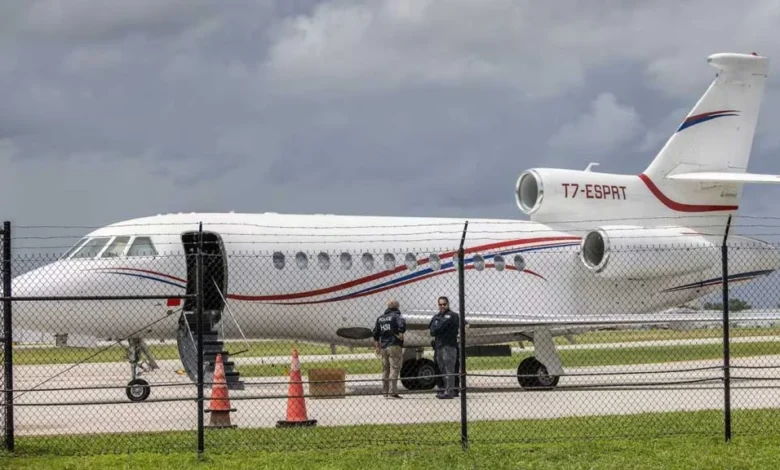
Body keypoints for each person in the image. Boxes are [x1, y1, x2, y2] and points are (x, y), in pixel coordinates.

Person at [372, 299, 406, 398]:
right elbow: (402, 325)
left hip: (384, 346)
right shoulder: (397, 316)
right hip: (394, 344)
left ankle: (385, 392)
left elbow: (375, 333)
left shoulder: (381, 318)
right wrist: (400, 333)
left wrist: (377, 346)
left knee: (385, 369)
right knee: (394, 368)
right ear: (396, 306)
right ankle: (393, 392)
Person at [429, 296, 460, 399]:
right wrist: (438, 326)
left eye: (444, 304)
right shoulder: (437, 316)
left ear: (448, 304)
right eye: (440, 304)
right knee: (442, 369)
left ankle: (450, 391)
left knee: (449, 369)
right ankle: (447, 389)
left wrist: (438, 325)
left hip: (449, 345)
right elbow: (432, 330)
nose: (442, 306)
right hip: (439, 346)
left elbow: (439, 327)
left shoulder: (452, 315)